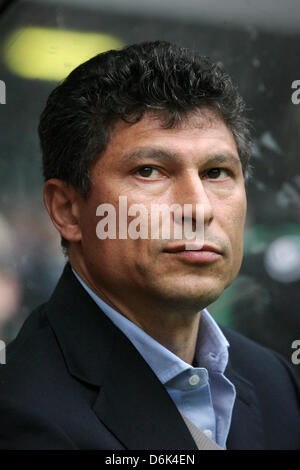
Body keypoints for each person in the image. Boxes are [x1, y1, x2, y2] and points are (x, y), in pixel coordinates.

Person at [0, 41, 299, 450]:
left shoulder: (277, 384)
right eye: (149, 171)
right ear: (68, 210)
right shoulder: (20, 415)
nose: (199, 208)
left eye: (216, 172)